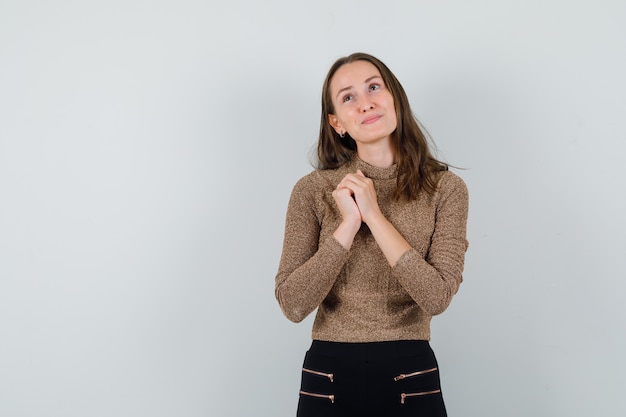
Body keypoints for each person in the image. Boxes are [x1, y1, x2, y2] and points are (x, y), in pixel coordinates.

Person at [275, 52, 469, 417]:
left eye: (373, 87)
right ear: (337, 123)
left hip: (409, 372)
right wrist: (346, 227)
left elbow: (437, 297)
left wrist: (375, 216)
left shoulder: (445, 188)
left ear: (394, 97)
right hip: (329, 373)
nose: (365, 104)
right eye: (349, 97)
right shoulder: (313, 191)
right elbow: (292, 304)